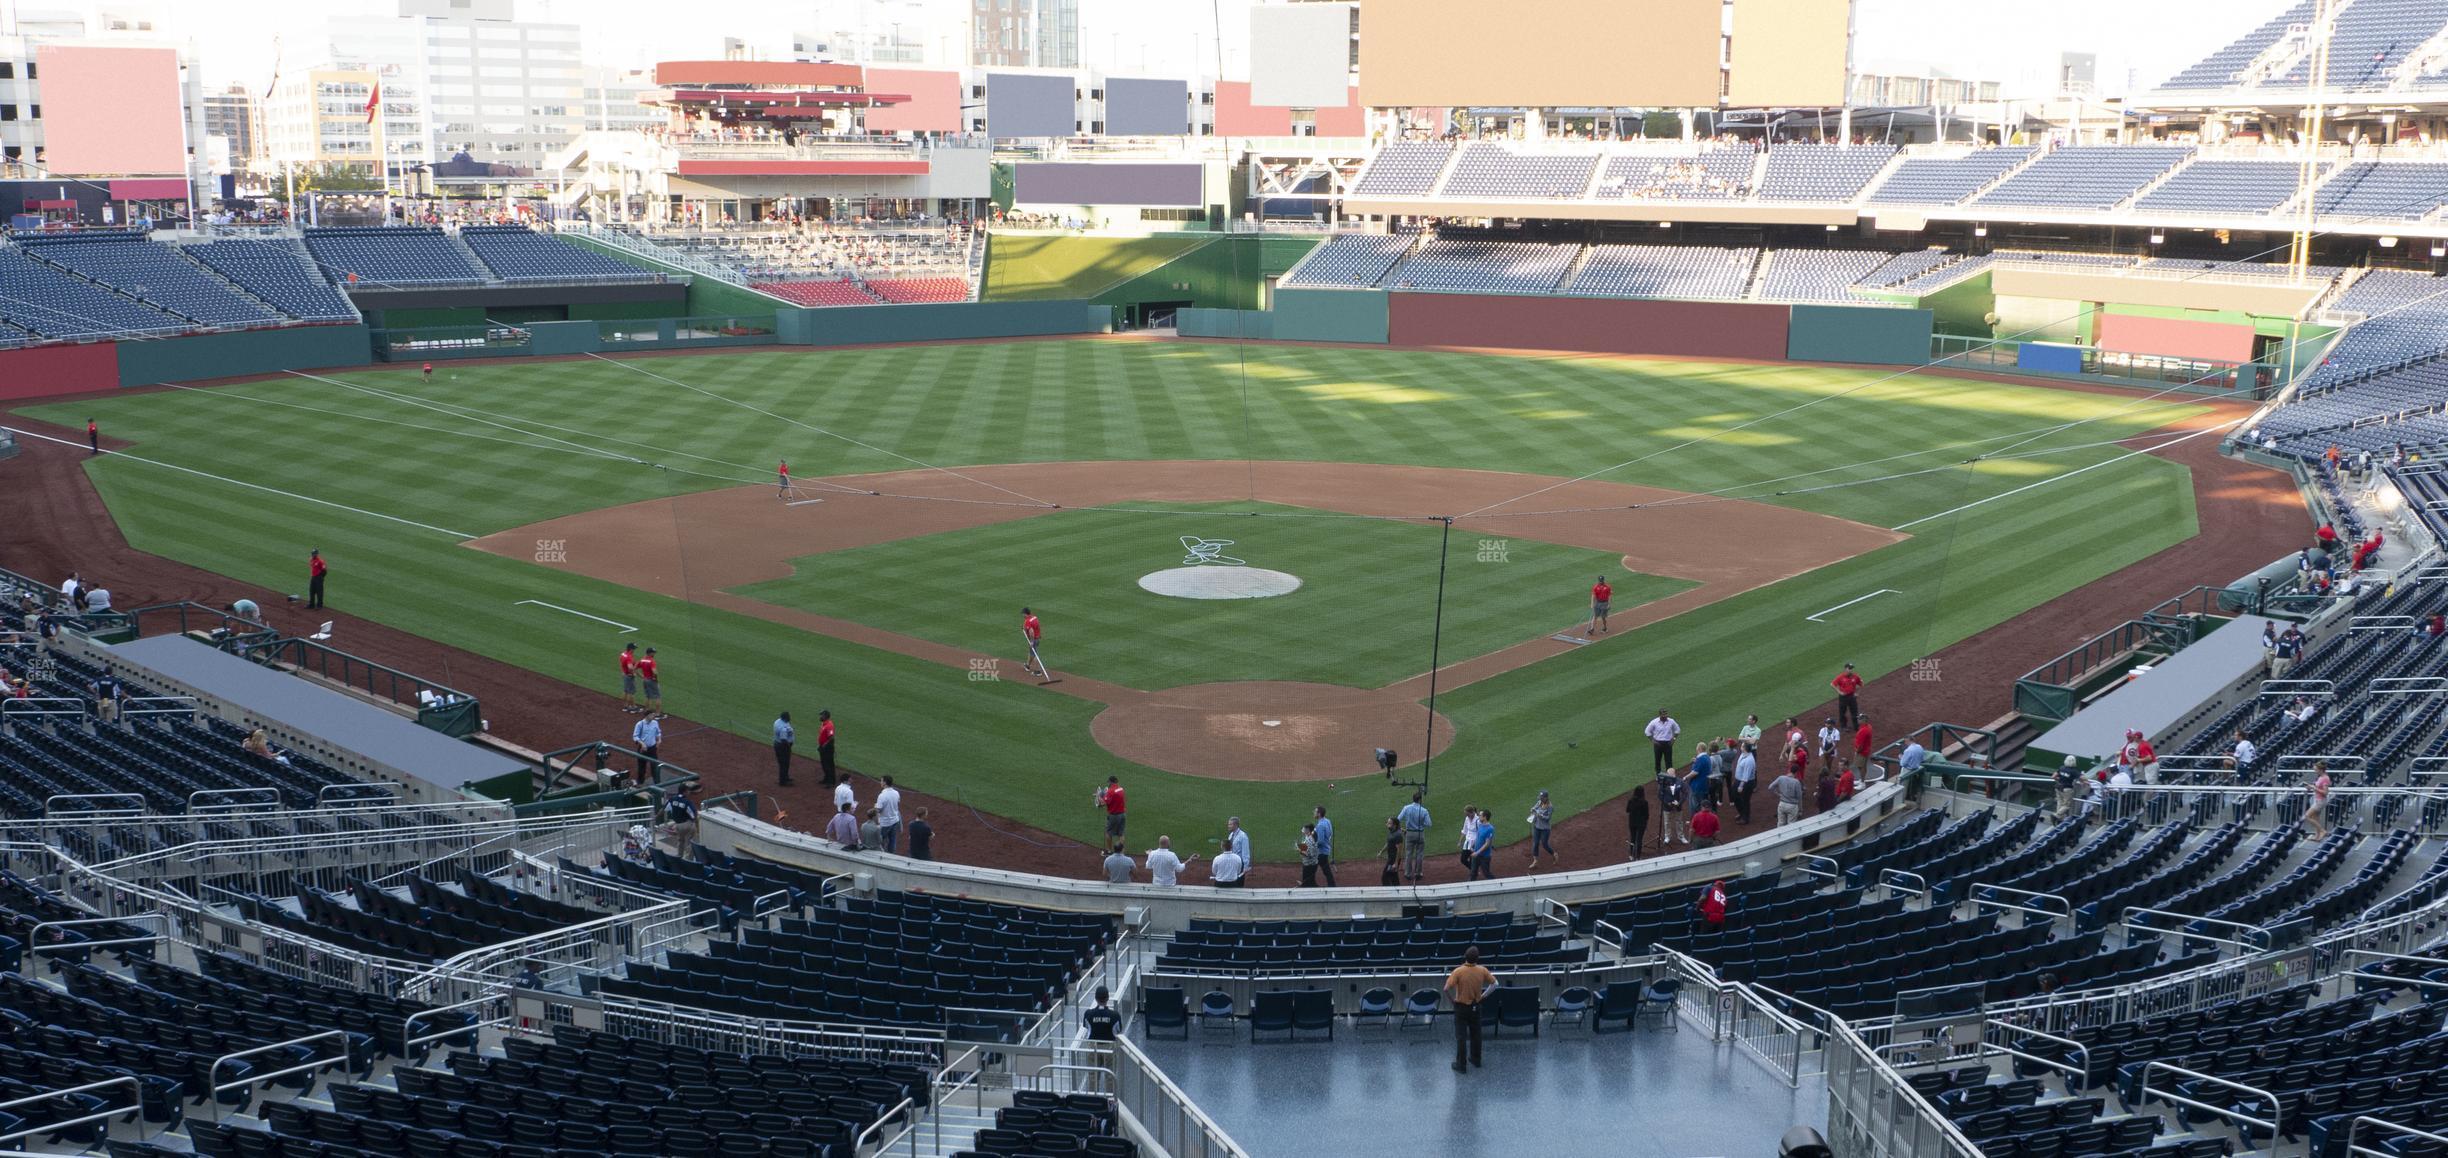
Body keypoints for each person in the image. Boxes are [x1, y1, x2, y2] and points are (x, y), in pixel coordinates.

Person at [1445, 946, 1494, 1074]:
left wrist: (1452, 1001)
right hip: (1476, 1006)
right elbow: (1495, 984)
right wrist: (1483, 996)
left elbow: (1446, 988)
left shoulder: (1458, 971)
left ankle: (1461, 1065)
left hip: (1461, 1008)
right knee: (1476, 1034)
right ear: (1477, 958)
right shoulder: (1482, 970)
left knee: (1461, 1037)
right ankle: (1476, 1059)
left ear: (1465, 957)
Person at [1396, 793, 1431, 883]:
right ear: (1420, 800)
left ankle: (1407, 873)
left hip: (1409, 833)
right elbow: (1429, 824)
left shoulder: (1406, 808)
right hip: (1420, 834)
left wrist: (1401, 829)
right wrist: (1420, 823)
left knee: (1409, 854)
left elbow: (1397, 820)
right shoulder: (1424, 810)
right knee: (1419, 854)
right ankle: (1418, 873)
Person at [664, 784, 699, 850]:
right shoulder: (687, 802)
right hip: (687, 825)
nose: (689, 792)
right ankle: (687, 859)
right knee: (690, 843)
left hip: (678, 825)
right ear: (684, 792)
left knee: (680, 841)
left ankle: (679, 856)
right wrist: (694, 822)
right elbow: (693, 813)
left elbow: (664, 809)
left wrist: (656, 816)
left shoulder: (672, 799)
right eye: (687, 790)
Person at [1645, 709, 1681, 775]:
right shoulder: (1654, 722)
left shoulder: (1671, 721)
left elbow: (1677, 730)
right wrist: (1653, 741)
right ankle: (1658, 775)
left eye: (1666, 714)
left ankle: (1670, 775)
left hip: (1668, 743)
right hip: (1658, 744)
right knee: (1658, 760)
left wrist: (1674, 739)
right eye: (1663, 714)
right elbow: (1647, 731)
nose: (1665, 716)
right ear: (1660, 715)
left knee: (1669, 761)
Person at [1657, 767, 1687, 845]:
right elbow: (1659, 795)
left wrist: (1679, 802)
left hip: (1678, 806)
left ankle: (1681, 836)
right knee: (1667, 822)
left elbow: (1685, 793)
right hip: (1667, 806)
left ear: (1674, 774)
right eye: (1668, 775)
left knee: (1679, 821)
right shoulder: (1663, 783)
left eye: (1671, 775)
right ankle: (1667, 837)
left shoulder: (1680, 782)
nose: (1669, 776)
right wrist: (1667, 803)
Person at [1732, 743, 1759, 824]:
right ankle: (1742, 813)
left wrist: (1741, 786)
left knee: (1745, 800)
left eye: (1742, 746)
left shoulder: (1749, 760)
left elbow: (1746, 775)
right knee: (1735, 796)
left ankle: (1745, 818)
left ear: (1744, 748)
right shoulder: (1743, 754)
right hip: (1739, 780)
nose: (1740, 746)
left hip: (1746, 783)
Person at [1095, 776, 1127, 844]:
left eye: (1109, 782)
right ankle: (1121, 852)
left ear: (1111, 782)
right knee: (1121, 834)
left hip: (1114, 816)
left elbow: (1102, 803)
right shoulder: (1121, 789)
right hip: (1122, 814)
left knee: (1108, 833)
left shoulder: (1110, 791)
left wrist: (1098, 796)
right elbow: (1114, 799)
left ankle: (1109, 851)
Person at [1527, 790, 1555, 868]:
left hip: (1545, 829)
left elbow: (1548, 818)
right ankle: (1535, 861)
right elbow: (1534, 807)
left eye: (1542, 798)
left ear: (1546, 798)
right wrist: (1532, 809)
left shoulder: (1550, 807)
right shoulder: (1539, 802)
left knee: (1544, 844)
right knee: (1535, 843)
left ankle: (1554, 854)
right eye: (1540, 797)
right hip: (1536, 826)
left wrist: (1540, 815)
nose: (1541, 799)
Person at [631, 713, 662, 782]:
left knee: (655, 766)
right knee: (642, 767)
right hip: (643, 749)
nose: (653, 716)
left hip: (652, 749)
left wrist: (659, 739)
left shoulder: (655, 723)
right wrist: (642, 744)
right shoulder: (640, 724)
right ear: (647, 715)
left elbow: (658, 732)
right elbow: (635, 736)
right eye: (652, 715)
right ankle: (640, 782)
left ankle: (657, 783)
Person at [1312, 806, 1338, 886]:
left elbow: (1320, 841)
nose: (1314, 812)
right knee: (1326, 871)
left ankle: (1309, 884)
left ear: (1319, 814)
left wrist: (1312, 843)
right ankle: (1332, 885)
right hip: (1326, 850)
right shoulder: (1327, 821)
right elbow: (1330, 833)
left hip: (1321, 852)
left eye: (1315, 811)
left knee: (1311, 869)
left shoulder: (1320, 826)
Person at [876, 776, 902, 853]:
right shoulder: (896, 793)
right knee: (892, 841)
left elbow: (878, 810)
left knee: (880, 841)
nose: (880, 782)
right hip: (895, 821)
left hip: (885, 823)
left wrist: (875, 806)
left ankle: (881, 856)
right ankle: (891, 855)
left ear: (885, 783)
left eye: (881, 781)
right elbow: (897, 803)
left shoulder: (882, 795)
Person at [1832, 663, 1863, 728]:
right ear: (1845, 669)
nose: (1851, 670)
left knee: (1854, 711)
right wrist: (1839, 692)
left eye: (1851, 668)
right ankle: (1844, 726)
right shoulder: (1840, 677)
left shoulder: (1855, 676)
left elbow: (1861, 683)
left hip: (1852, 696)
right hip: (1843, 697)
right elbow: (1832, 684)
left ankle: (1856, 726)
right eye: (1849, 668)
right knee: (1842, 712)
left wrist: (1857, 693)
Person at [1020, 606, 1047, 678]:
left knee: (1035, 655)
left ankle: (1038, 671)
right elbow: (1037, 627)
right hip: (1037, 638)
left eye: (1023, 614)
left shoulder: (1028, 621)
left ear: (1026, 614)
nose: (1022, 615)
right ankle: (1027, 665)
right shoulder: (1034, 617)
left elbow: (1031, 632)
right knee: (1031, 652)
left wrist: (1031, 641)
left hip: (1033, 639)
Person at [1469, 809, 1495, 880]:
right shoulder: (1480, 825)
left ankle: (1497, 885)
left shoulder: (1490, 829)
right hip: (1476, 854)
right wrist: (1473, 845)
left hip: (1484, 856)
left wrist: (1477, 853)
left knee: (1487, 874)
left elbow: (1487, 844)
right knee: (1473, 872)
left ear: (1485, 817)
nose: (1478, 816)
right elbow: (1478, 837)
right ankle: (1470, 887)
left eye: (1480, 815)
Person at [1626, 785, 1650, 858]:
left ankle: (1631, 855)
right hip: (1641, 823)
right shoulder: (1644, 802)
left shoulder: (1630, 800)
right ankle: (1638, 856)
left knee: (1633, 838)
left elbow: (1627, 810)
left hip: (1632, 822)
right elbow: (1646, 815)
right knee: (1639, 839)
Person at [771, 711, 795, 785]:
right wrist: (789, 747)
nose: (790, 718)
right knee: (784, 763)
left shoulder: (778, 721)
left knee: (784, 763)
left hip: (778, 744)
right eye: (788, 717)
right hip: (783, 746)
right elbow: (784, 740)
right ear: (785, 718)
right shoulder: (783, 728)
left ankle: (785, 777)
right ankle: (783, 781)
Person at [2308, 761, 2332, 837]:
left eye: (2316, 770)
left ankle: (2322, 831)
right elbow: (2318, 787)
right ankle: (2317, 836)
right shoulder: (2320, 777)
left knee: (2307, 816)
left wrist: (2314, 788)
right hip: (2318, 799)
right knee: (2316, 818)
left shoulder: (2325, 778)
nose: (2315, 771)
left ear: (2321, 770)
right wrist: (2311, 787)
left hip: (2320, 801)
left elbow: (2325, 792)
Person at [617, 643, 640, 713]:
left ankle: (625, 706)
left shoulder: (623, 654)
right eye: (634, 648)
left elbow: (621, 662)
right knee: (631, 692)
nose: (634, 650)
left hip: (624, 674)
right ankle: (633, 707)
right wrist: (633, 674)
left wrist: (623, 671)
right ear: (631, 649)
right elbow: (630, 667)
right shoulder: (629, 657)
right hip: (629, 676)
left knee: (626, 691)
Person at [816, 709, 838, 785]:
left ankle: (831, 781)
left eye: (821, 715)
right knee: (824, 764)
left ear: (825, 716)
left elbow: (831, 738)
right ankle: (826, 778)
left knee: (828, 764)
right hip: (823, 747)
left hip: (827, 748)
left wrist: (824, 745)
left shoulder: (829, 725)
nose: (820, 716)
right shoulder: (823, 724)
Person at [638, 648, 662, 714]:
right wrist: (655, 679)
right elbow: (655, 672)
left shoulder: (642, 659)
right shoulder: (651, 661)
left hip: (645, 680)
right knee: (658, 696)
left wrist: (641, 676)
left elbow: (634, 668)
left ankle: (646, 710)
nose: (654, 654)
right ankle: (658, 714)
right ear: (650, 653)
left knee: (648, 696)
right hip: (651, 680)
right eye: (653, 652)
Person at [1380, 818, 1402, 886]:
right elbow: (1388, 843)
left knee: (1385, 877)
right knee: (1393, 877)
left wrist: (1395, 863)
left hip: (1393, 859)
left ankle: (1387, 890)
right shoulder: (1391, 832)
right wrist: (1381, 851)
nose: (1387, 824)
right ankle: (1397, 890)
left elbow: (1399, 850)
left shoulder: (1397, 835)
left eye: (1389, 823)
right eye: (1387, 823)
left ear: (1394, 825)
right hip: (1391, 858)